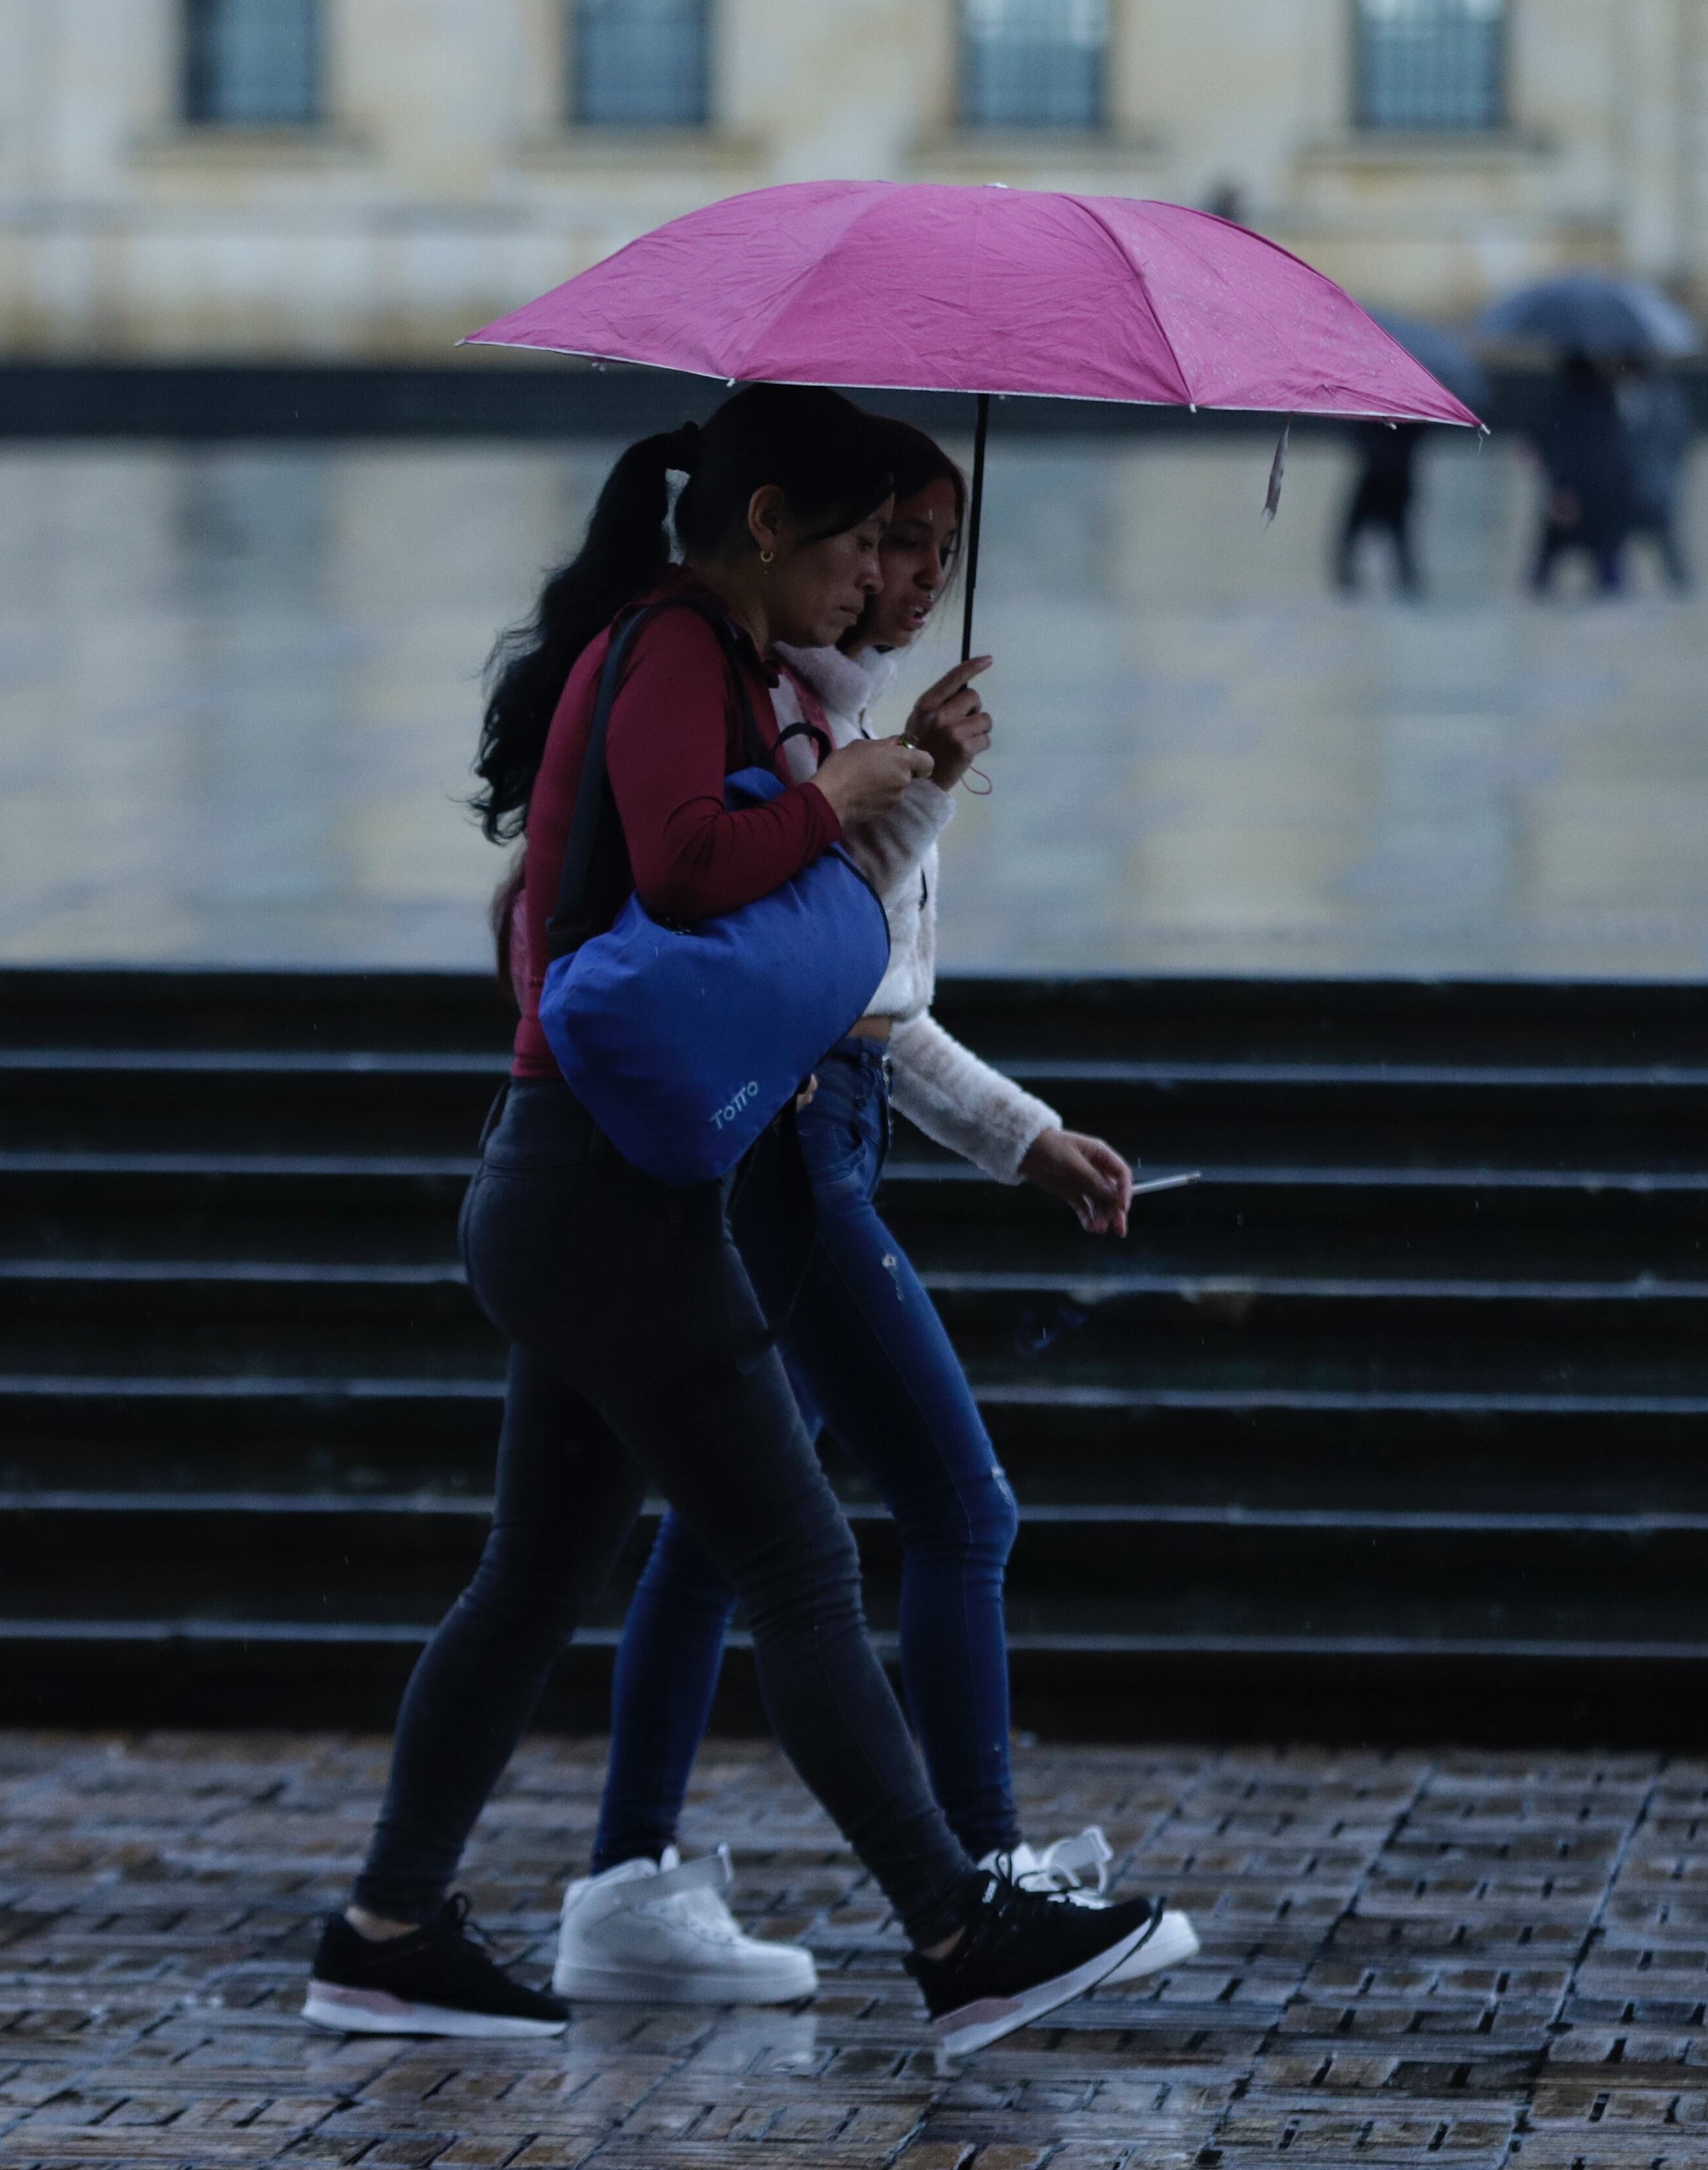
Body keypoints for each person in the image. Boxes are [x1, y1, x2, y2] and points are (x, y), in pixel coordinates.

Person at [303, 383, 1160, 2063]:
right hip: (607, 1197)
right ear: (768, 525)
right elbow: (696, 867)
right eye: (857, 544)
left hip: (585, 1189)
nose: (870, 584)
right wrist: (841, 787)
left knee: (536, 1573)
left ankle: (386, 1928)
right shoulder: (680, 646)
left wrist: (870, 775)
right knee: (801, 1558)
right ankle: (956, 1924)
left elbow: (762, 897)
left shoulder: (717, 658)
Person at [552, 415, 1201, 2005]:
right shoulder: (763, 702)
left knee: (719, 1535)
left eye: (934, 553)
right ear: (789, 530)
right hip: (788, 1147)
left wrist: (1020, 1135)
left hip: (818, 1127)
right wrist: (901, 784)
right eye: (888, 543)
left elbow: (869, 988)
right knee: (953, 1506)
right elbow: (819, 962)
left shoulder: (824, 709)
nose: (902, 579)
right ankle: (978, 1875)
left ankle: (626, 1879)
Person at [1530, 354, 1635, 597]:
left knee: (1549, 556)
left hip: (1573, 492)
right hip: (1605, 494)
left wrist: (1562, 487)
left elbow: (1558, 447)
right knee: (1607, 560)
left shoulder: (1563, 403)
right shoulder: (1606, 400)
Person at [1616, 358, 1691, 594]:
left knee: (1666, 546)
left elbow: (1676, 442)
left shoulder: (1662, 398)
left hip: (1653, 487)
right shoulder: (1663, 397)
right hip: (1633, 488)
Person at [1334, 421, 1429, 598]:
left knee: (1398, 539)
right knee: (1353, 539)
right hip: (1379, 479)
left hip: (1391, 481)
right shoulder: (1378, 419)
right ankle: (1347, 585)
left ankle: (1407, 585)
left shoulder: (1405, 420)